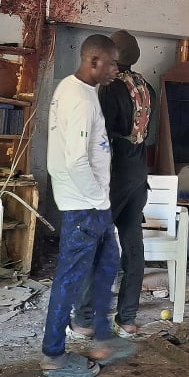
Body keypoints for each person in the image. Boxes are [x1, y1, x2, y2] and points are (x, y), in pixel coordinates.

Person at [40, 34, 132, 377]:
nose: (116, 70)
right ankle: (53, 354)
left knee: (108, 262)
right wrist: (97, 201)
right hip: (85, 204)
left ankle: (96, 331)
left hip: (89, 201)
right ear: (93, 61)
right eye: (112, 64)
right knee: (70, 277)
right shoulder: (79, 98)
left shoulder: (73, 88)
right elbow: (76, 160)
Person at [70, 30, 155, 339]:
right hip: (138, 176)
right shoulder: (146, 88)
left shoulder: (110, 89)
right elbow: (148, 137)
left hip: (112, 178)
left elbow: (100, 139)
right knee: (133, 247)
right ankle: (127, 319)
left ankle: (84, 320)